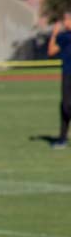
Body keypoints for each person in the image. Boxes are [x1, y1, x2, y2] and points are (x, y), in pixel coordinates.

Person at [48, 13, 71, 149]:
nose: (66, 22)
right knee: (65, 106)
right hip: (67, 74)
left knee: (66, 106)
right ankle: (62, 139)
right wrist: (54, 34)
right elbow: (51, 51)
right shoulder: (63, 37)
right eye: (65, 20)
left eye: (68, 19)